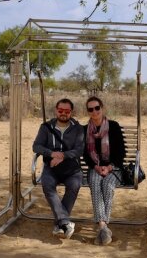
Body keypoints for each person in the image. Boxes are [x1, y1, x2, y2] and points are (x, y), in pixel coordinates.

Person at [32, 98, 84, 239]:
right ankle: (65, 222)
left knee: (74, 185)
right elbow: (36, 146)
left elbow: (79, 150)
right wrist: (51, 153)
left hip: (72, 169)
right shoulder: (46, 127)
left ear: (71, 112)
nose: (63, 114)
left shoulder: (78, 128)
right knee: (47, 185)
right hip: (51, 167)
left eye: (67, 111)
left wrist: (62, 156)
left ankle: (60, 223)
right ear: (56, 110)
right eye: (60, 110)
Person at [83, 96, 126, 245]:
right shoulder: (85, 130)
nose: (94, 111)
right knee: (95, 185)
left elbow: (122, 153)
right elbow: (85, 154)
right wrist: (96, 167)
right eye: (90, 109)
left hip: (113, 167)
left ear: (102, 108)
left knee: (107, 186)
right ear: (88, 111)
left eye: (97, 108)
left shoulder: (113, 126)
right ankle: (103, 226)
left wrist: (108, 167)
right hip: (94, 167)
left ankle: (102, 227)